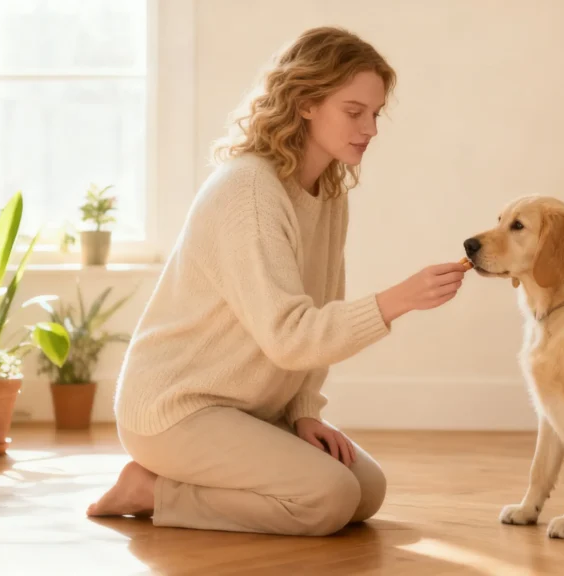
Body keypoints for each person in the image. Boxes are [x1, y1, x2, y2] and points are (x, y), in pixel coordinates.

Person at [86, 26, 466, 536]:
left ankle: (180, 485)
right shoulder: (248, 191)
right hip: (176, 410)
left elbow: (319, 304)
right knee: (329, 498)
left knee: (365, 490)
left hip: (250, 409)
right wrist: (398, 301)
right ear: (306, 102)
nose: (370, 128)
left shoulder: (327, 193)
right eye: (354, 112)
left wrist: (305, 411)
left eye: (375, 114)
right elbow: (291, 335)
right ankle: (152, 490)